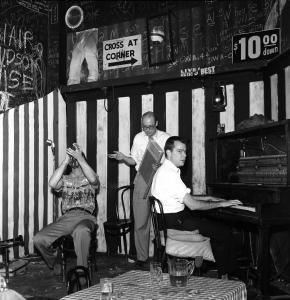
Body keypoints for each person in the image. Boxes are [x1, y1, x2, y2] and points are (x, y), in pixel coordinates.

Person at [151, 136, 242, 277]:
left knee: (210, 224)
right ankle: (227, 275)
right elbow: (192, 205)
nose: (184, 155)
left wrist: (208, 198)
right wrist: (222, 203)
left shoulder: (164, 170)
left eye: (185, 152)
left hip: (169, 221)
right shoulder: (170, 175)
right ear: (168, 153)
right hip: (176, 223)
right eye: (179, 151)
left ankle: (215, 267)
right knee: (223, 231)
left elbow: (181, 197)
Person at [108, 111, 170, 266]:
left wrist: (160, 165)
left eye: (150, 127)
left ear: (156, 123)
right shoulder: (138, 137)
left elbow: (172, 162)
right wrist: (123, 158)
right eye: (144, 127)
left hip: (160, 179)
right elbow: (133, 161)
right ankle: (142, 258)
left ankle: (163, 257)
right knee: (141, 221)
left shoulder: (166, 138)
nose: (147, 130)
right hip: (142, 177)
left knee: (161, 221)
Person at [33, 143, 100, 274]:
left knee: (82, 231)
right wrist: (65, 162)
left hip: (85, 217)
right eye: (72, 158)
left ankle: (82, 272)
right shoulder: (64, 179)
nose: (74, 161)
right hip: (66, 219)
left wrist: (80, 158)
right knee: (38, 239)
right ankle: (54, 259)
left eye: (77, 158)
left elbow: (93, 179)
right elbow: (52, 183)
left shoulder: (90, 176)